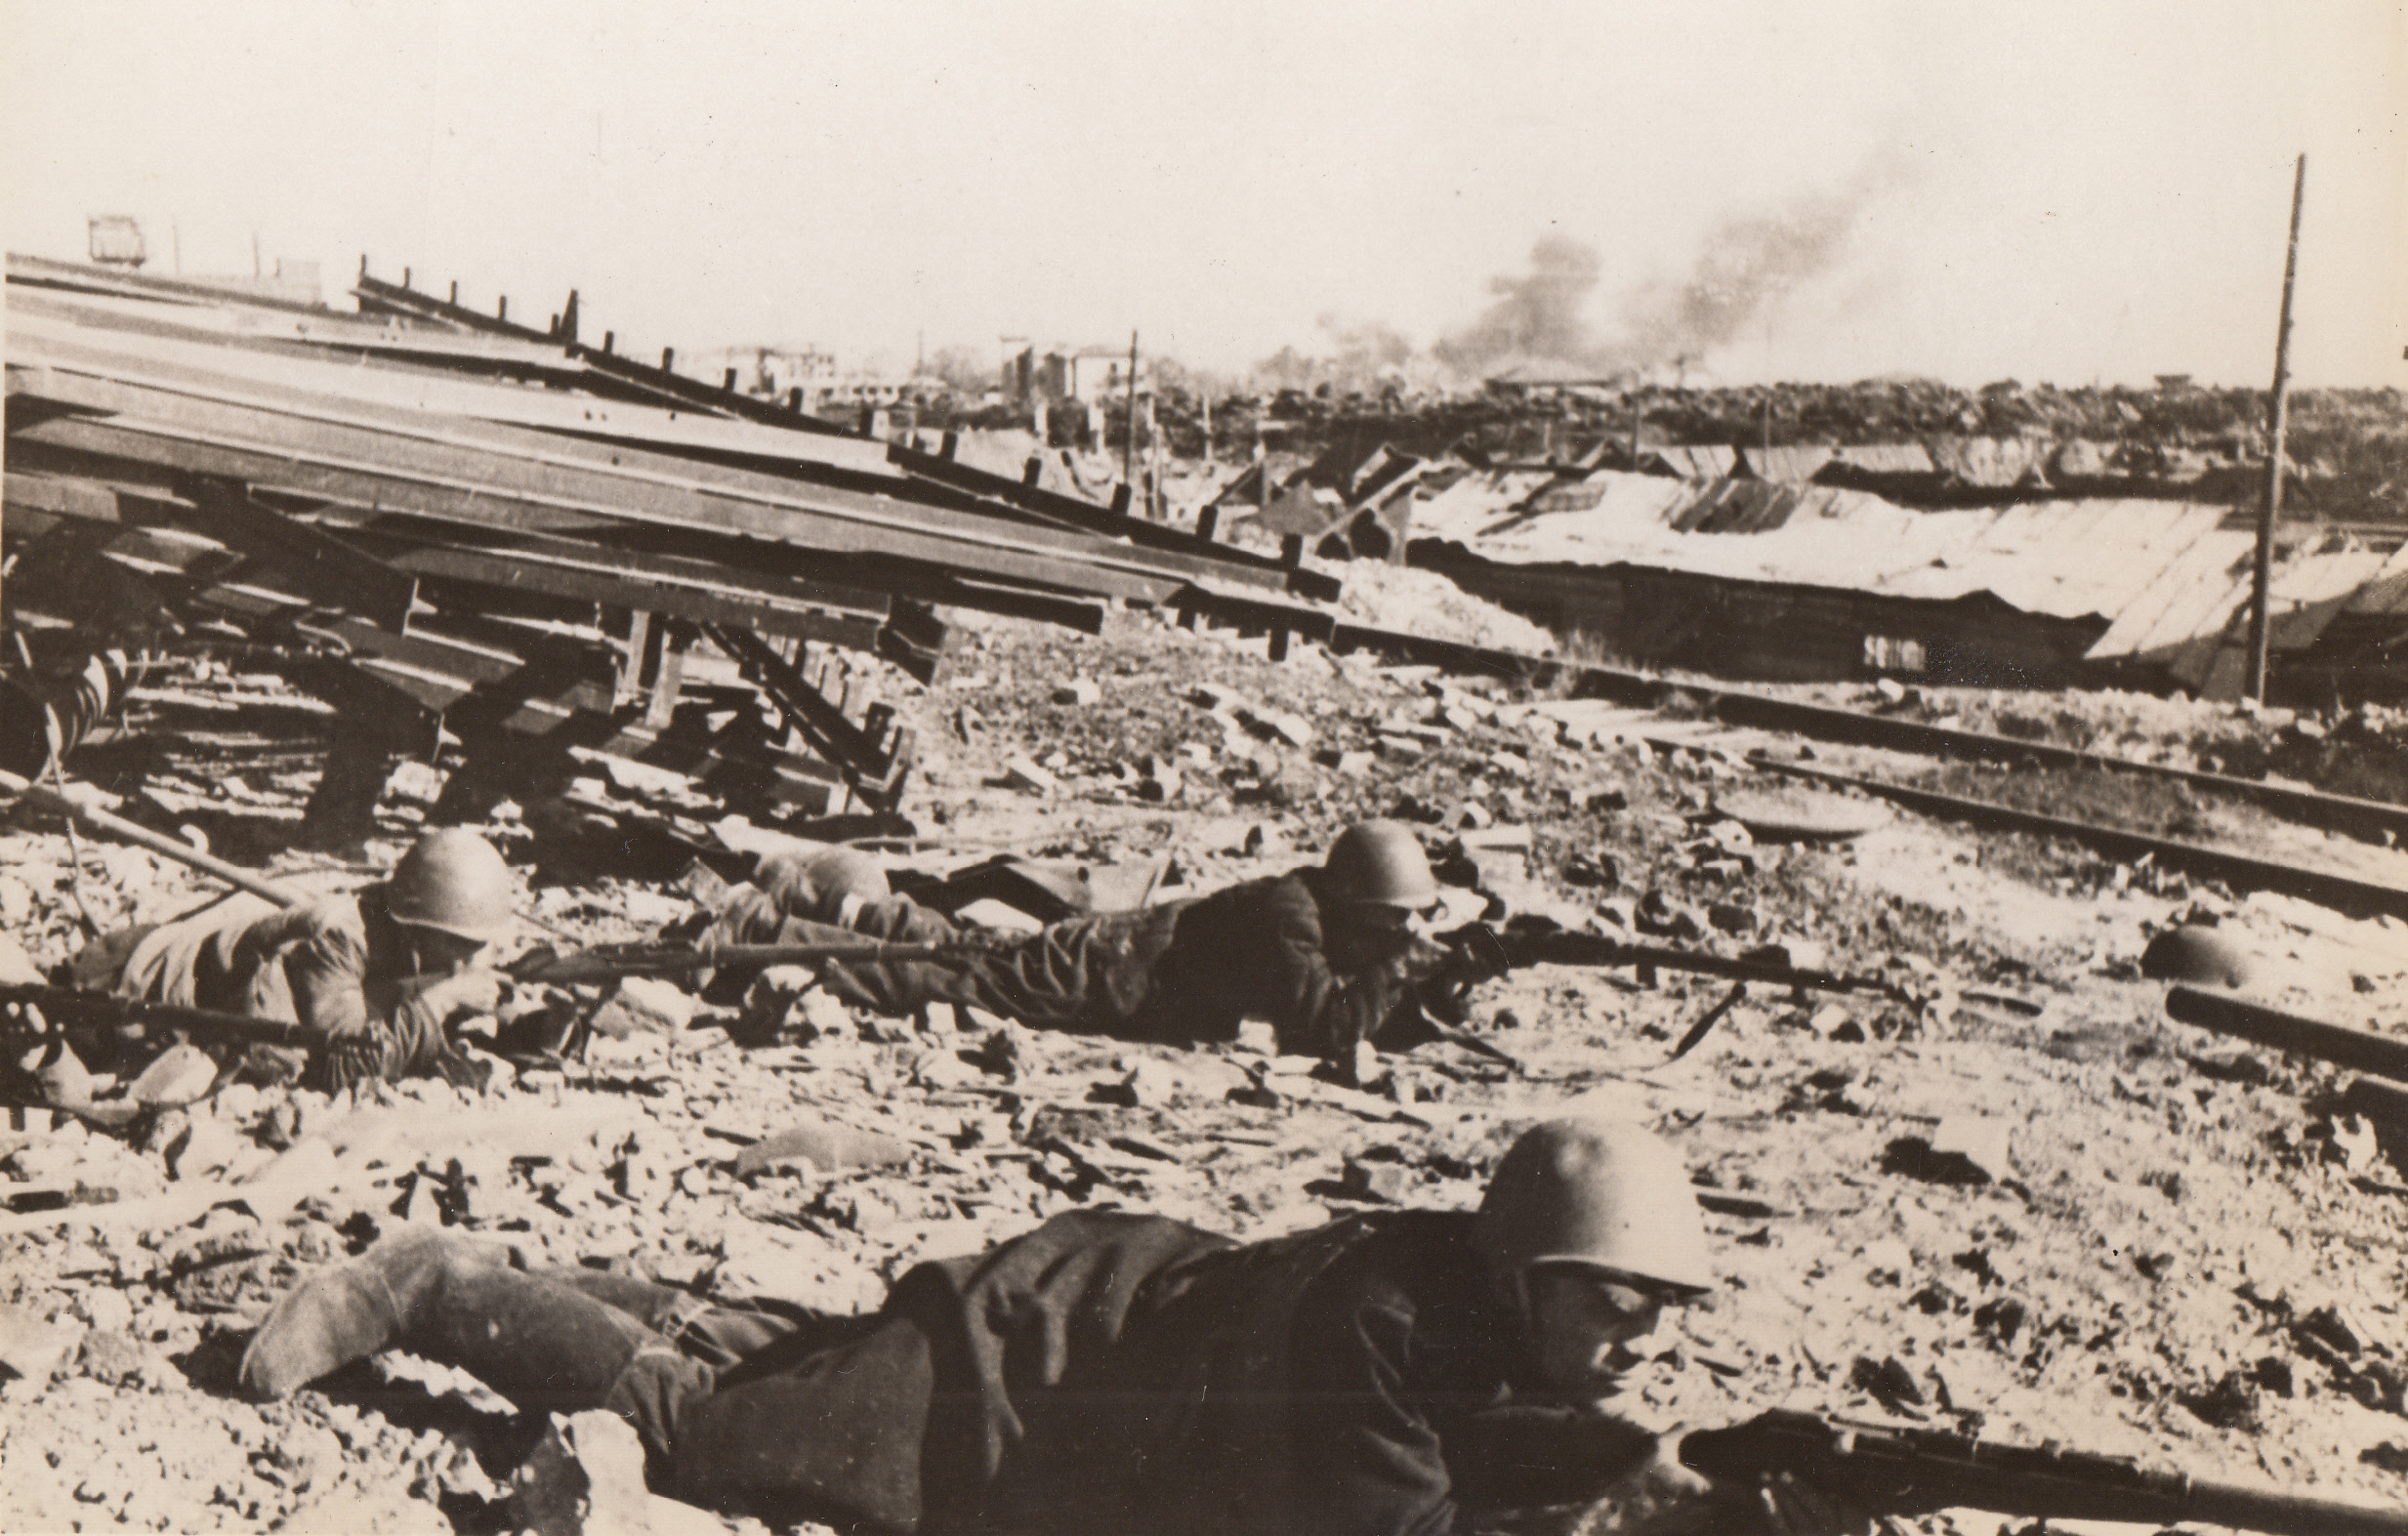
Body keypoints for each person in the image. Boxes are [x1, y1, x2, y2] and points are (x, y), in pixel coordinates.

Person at [238, 1117, 1859, 1535]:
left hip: (1098, 1344)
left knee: (772, 1354)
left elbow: (1481, 1446)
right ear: (1525, 1272)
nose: (1642, 1336)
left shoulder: (1469, 1304)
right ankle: (430, 1283)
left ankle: (685, 1304)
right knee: (711, 1436)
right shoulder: (1374, 1322)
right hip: (1009, 1384)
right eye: (1619, 1303)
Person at [705, 820, 1461, 1067]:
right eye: (1396, 920)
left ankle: (805, 899)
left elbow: (1347, 1005)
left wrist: (1432, 982)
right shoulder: (1294, 918)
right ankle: (765, 931)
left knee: (962, 949)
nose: (1404, 934)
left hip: (1113, 960)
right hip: (1102, 973)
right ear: (1359, 903)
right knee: (950, 979)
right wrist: (1400, 968)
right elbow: (1328, 1026)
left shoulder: (1314, 907)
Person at [49, 826, 519, 1094]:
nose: (477, 957)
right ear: (421, 927)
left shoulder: (402, 928)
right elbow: (344, 1066)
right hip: (118, 985)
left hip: (150, 962)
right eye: (465, 945)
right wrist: (439, 1006)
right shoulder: (339, 942)